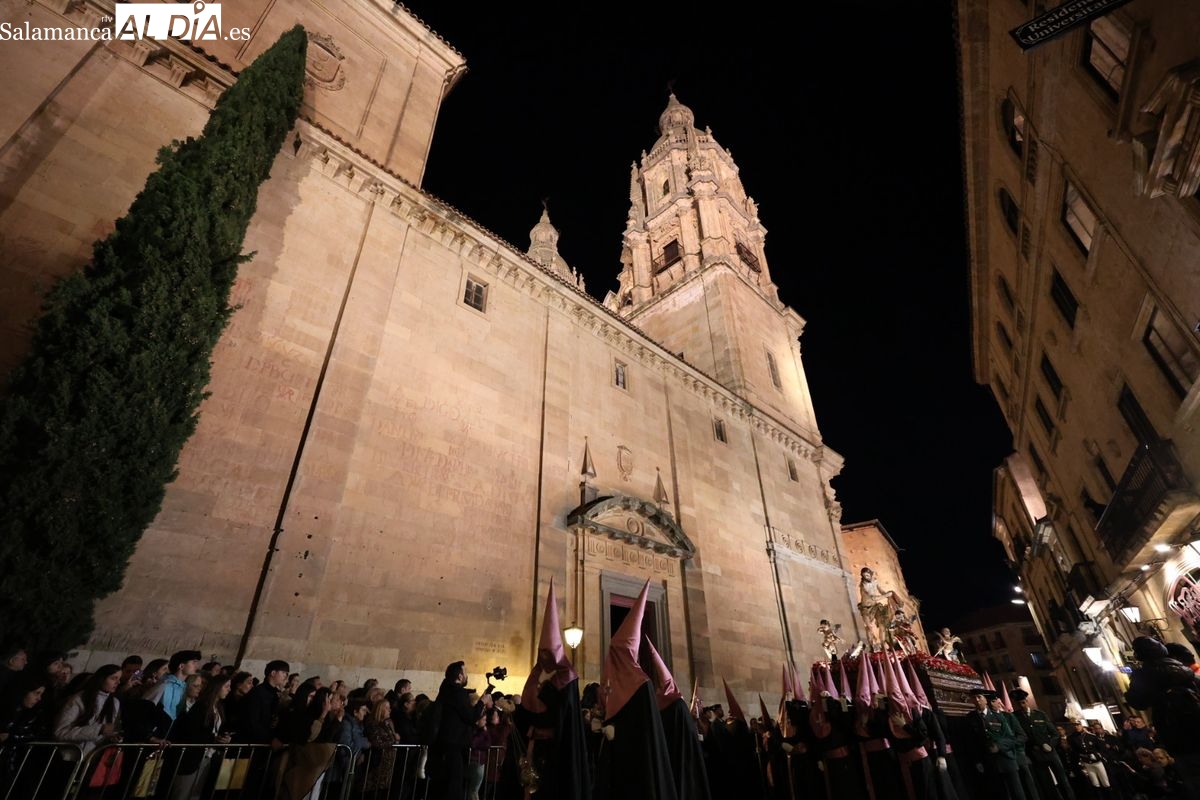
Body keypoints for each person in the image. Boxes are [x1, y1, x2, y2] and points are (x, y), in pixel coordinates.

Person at [1125, 635, 1200, 798]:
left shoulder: (1143, 675)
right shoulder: (1180, 667)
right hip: (1196, 722)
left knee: (1193, 776)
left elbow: (1137, 702)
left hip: (1175, 732)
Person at [429, 661, 486, 800]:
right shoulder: (458, 692)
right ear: (460, 676)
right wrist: (481, 702)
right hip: (454, 746)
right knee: (453, 787)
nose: (467, 676)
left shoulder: (445, 691)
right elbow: (470, 717)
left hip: (442, 746)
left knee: (441, 787)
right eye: (465, 673)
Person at [1010, 688, 1074, 800]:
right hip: (1035, 755)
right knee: (1047, 784)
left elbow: (1055, 734)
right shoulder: (1015, 717)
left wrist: (1050, 745)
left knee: (1063, 781)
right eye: (1019, 703)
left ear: (1027, 701)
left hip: (1050, 752)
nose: (1022, 705)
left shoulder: (1039, 714)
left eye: (1023, 702)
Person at [965, 688, 1027, 800]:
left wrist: (999, 746)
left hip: (1006, 760)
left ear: (985, 700)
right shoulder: (970, 718)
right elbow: (972, 743)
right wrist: (977, 761)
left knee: (1017, 793)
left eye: (979, 697)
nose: (977, 700)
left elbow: (1011, 738)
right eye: (974, 698)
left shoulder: (998, 716)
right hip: (989, 763)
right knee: (1001, 795)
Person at [53, 664, 122, 760]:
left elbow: (107, 731)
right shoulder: (79, 699)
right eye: (113, 678)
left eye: (119, 679)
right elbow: (61, 732)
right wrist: (99, 730)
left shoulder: (115, 703)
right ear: (102, 679)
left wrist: (112, 737)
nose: (118, 682)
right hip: (70, 756)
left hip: (94, 759)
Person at [859, 567, 900, 651]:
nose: (866, 577)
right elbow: (873, 598)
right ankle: (872, 646)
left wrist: (889, 595)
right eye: (864, 576)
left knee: (882, 624)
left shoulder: (875, 581)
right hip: (866, 609)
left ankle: (883, 644)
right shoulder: (864, 585)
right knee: (869, 627)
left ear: (870, 574)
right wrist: (886, 595)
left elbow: (880, 590)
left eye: (867, 575)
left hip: (875, 606)